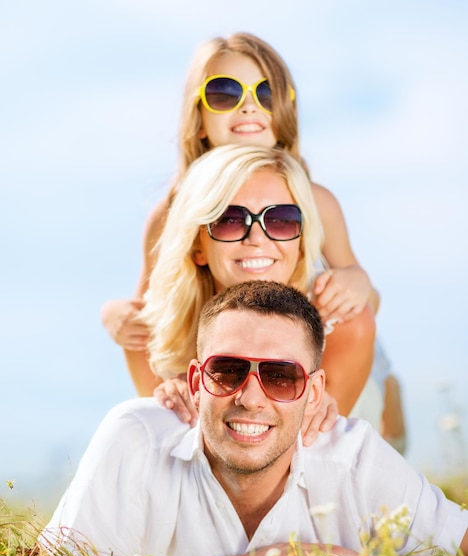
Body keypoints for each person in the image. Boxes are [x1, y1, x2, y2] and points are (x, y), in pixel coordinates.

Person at [42, 281, 468, 556]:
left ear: (314, 392)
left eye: (280, 377)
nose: (250, 398)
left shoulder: (353, 458)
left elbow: (459, 551)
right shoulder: (135, 438)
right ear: (195, 381)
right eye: (226, 371)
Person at [100, 33, 380, 418]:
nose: (249, 107)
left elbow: (364, 303)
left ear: (284, 113)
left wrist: (357, 279)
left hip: (317, 343)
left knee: (364, 383)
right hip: (218, 352)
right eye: (224, 93)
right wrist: (113, 315)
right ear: (197, 117)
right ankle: (176, 431)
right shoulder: (171, 213)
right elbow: (151, 311)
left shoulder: (314, 200)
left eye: (266, 94)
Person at [139, 144, 374, 438]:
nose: (256, 238)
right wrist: (169, 405)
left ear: (301, 244)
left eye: (281, 220)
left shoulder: (347, 326)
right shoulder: (151, 329)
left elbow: (300, 460)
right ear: (197, 246)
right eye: (229, 220)